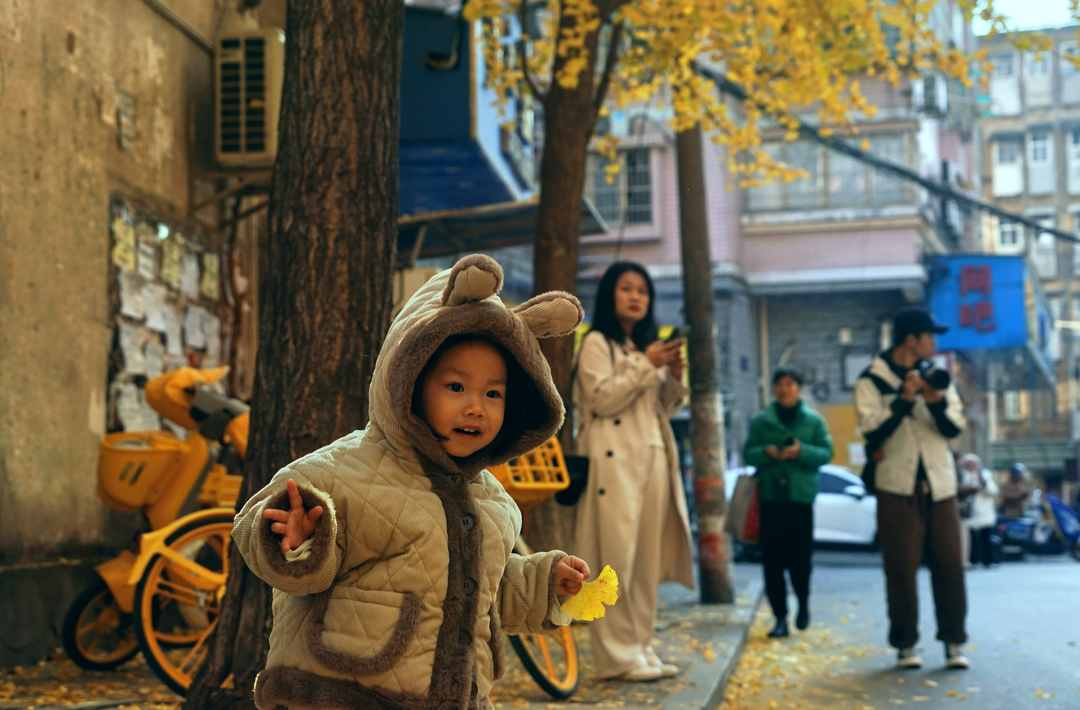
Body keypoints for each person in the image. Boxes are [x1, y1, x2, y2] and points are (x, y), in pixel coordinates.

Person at [231, 255, 593, 710]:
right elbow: (254, 524)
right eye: (456, 388)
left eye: (493, 393)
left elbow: (484, 594)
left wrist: (544, 584)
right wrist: (299, 541)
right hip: (340, 694)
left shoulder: (495, 503)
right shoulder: (346, 469)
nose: (476, 407)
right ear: (411, 382)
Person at [573, 261, 695, 682]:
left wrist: (674, 376)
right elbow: (603, 399)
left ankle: (640, 648)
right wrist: (647, 364)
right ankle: (615, 656)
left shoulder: (643, 347)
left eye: (643, 290)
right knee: (614, 558)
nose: (636, 297)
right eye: (626, 288)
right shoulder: (596, 344)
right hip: (614, 462)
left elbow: (666, 408)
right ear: (610, 295)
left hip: (654, 457)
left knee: (646, 561)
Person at [854, 306, 969, 671]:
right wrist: (904, 399)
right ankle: (905, 644)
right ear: (911, 340)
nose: (934, 343)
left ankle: (954, 642)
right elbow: (873, 431)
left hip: (940, 485)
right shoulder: (872, 380)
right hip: (895, 486)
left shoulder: (938, 379)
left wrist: (933, 402)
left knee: (950, 564)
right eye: (930, 336)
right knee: (901, 568)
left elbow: (954, 429)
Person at [743, 367, 834, 638]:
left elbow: (827, 452)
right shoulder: (762, 422)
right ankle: (780, 618)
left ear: (799, 389)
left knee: (800, 559)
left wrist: (801, 451)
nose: (785, 389)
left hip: (800, 500)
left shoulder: (814, 422)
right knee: (771, 562)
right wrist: (765, 452)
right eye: (780, 384)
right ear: (774, 389)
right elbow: (748, 452)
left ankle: (803, 605)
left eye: (790, 384)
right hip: (770, 499)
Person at [959, 454, 999, 569]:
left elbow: (993, 490)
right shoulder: (963, 475)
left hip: (985, 512)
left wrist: (983, 483)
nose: (971, 466)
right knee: (971, 539)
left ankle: (988, 561)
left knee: (986, 537)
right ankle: (973, 560)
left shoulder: (984, 475)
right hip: (969, 512)